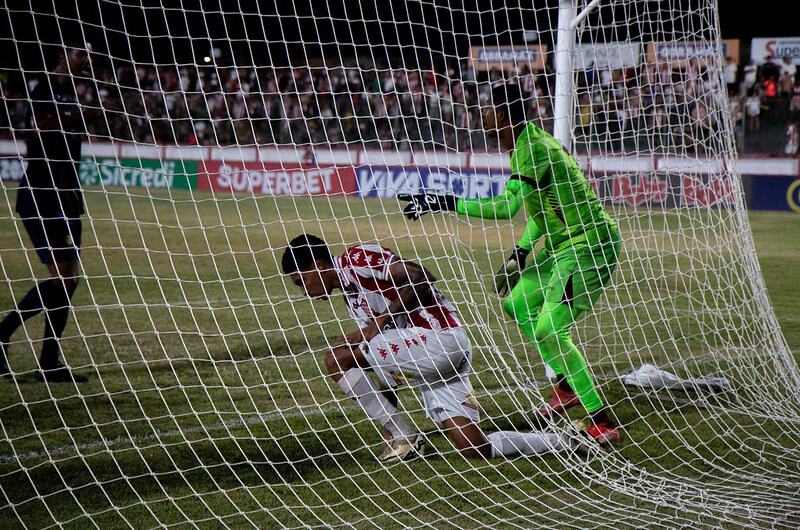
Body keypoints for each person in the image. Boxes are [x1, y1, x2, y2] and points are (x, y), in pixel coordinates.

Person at [398, 83, 622, 445]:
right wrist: (521, 252)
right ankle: (566, 386)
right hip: (563, 245)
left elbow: (507, 207)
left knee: (550, 331)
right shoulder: (526, 145)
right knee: (516, 303)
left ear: (502, 114)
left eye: (487, 108)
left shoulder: (532, 149)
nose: (482, 114)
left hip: (590, 246)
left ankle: (601, 421)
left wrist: (445, 201)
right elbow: (543, 211)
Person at [282, 234, 594, 462]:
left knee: (337, 359)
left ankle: (408, 436)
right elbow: (383, 366)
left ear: (319, 264)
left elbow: (421, 276)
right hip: (431, 360)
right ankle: (567, 440)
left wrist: (374, 327)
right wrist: (389, 426)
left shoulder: (356, 259)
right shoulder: (352, 300)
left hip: (439, 339)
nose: (302, 290)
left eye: (300, 280)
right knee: (476, 448)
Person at [0, 40, 103, 382]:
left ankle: (48, 362)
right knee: (63, 278)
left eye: (89, 53)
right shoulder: (43, 87)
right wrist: (87, 113)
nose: (86, 59)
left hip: (66, 195)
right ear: (63, 56)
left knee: (69, 281)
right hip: (41, 195)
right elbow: (43, 124)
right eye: (80, 53)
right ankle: (2, 335)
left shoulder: (72, 93)